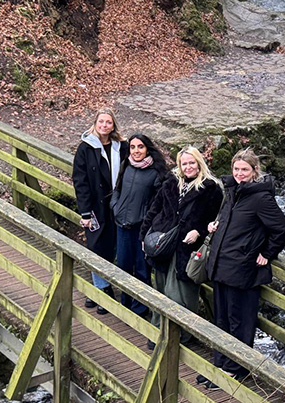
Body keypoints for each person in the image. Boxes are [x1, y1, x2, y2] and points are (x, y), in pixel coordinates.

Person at [205, 148, 285, 383]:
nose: (240, 173)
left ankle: (236, 368)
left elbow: (282, 228)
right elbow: (230, 220)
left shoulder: (261, 198)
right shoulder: (233, 191)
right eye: (236, 169)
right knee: (221, 319)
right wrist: (216, 225)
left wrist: (267, 252)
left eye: (245, 169)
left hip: (242, 270)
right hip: (222, 266)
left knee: (239, 322)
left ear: (255, 171)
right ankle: (221, 363)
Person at [142, 146, 223, 345]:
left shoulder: (211, 188)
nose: (188, 167)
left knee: (181, 295)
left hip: (187, 251)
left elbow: (217, 222)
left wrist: (199, 232)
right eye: (184, 163)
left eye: (191, 163)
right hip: (164, 245)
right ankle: (159, 331)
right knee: (160, 290)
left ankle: (181, 337)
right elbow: (154, 210)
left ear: (199, 163)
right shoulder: (171, 182)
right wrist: (144, 236)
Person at [72, 108, 129, 315]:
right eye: (101, 122)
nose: (104, 125)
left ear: (113, 125)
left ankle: (97, 289)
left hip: (118, 203)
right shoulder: (86, 148)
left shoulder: (121, 146)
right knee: (97, 245)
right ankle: (102, 290)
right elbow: (81, 182)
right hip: (96, 206)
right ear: (95, 124)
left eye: (108, 122)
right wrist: (85, 212)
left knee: (114, 244)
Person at [110, 134, 168, 317]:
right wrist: (115, 206)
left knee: (142, 269)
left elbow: (159, 203)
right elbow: (117, 189)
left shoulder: (156, 172)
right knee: (124, 266)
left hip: (142, 229)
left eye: (140, 147)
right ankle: (125, 302)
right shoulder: (126, 165)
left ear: (147, 149)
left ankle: (140, 308)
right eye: (133, 147)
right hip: (121, 225)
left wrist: (146, 219)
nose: (136, 151)